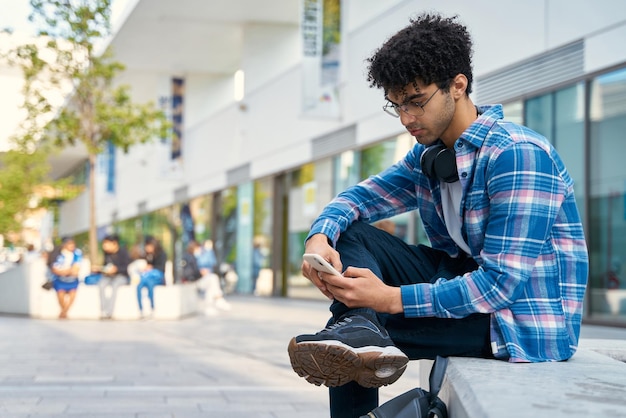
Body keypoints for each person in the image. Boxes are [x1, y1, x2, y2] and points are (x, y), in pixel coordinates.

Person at [287, 12, 589, 418]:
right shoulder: (427, 157)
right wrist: (318, 239)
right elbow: (356, 199)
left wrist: (390, 299)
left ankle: (359, 328)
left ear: (458, 85)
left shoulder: (517, 154)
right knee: (349, 240)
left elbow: (498, 287)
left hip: (521, 320)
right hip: (467, 285)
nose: (407, 118)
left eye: (416, 101)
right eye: (396, 106)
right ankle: (359, 324)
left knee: (346, 342)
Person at [93, 234, 130, 319]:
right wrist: (99, 269)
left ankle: (109, 312)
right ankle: (103, 310)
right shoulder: (106, 253)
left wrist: (116, 269)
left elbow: (126, 267)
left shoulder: (123, 252)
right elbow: (105, 266)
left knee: (115, 286)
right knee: (101, 285)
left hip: (121, 276)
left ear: (114, 244)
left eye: (107, 244)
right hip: (108, 276)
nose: (104, 246)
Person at [48, 237, 83, 319]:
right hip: (60, 280)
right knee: (60, 294)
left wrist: (66, 271)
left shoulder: (77, 253)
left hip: (73, 280)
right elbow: (55, 269)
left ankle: (64, 311)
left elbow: (76, 269)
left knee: (73, 293)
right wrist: (67, 272)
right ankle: (63, 311)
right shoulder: (57, 254)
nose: (72, 245)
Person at [194, 239, 231, 313]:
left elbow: (213, 263)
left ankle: (214, 302)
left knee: (212, 282)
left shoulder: (209, 253)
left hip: (206, 277)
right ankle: (218, 299)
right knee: (213, 280)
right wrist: (200, 271)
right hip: (198, 279)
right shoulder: (196, 256)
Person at [136, 236, 167, 318]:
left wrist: (151, 267)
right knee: (139, 286)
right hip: (147, 277)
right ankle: (141, 309)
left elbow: (161, 268)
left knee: (150, 283)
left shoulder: (161, 254)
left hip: (157, 277)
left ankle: (152, 307)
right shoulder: (147, 255)